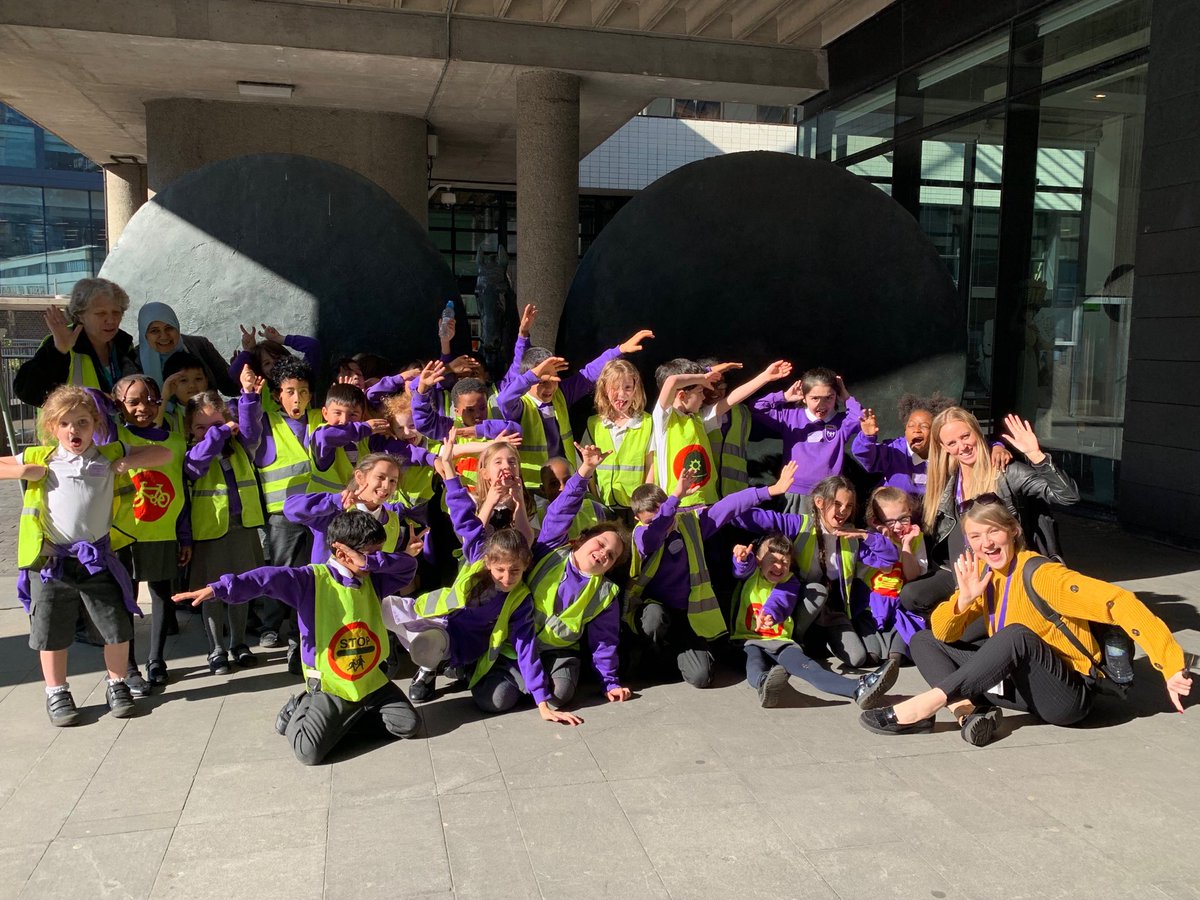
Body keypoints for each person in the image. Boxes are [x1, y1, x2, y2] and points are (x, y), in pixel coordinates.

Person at [860, 498, 1191, 746]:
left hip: (1066, 697)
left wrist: (1171, 664)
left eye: (994, 531)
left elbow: (1119, 602)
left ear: (1013, 531)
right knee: (924, 639)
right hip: (1019, 686)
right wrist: (964, 599)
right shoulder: (988, 575)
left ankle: (926, 705)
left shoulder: (1043, 575)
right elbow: (945, 634)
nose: (986, 543)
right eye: (976, 536)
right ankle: (966, 712)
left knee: (1015, 635)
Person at [174, 511, 422, 765]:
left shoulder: (373, 577)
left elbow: (407, 567)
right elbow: (266, 578)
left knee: (407, 725)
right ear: (341, 553)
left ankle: (344, 720)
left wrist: (369, 561)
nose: (376, 560)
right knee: (308, 753)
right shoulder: (310, 580)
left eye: (377, 554)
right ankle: (299, 709)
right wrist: (219, 588)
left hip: (369, 680)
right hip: (332, 685)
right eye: (371, 553)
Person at [1, 385, 172, 725]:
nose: (73, 430)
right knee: (50, 631)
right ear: (52, 427)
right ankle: (57, 692)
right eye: (64, 423)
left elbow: (163, 454)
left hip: (98, 559)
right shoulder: (41, 457)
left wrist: (128, 462)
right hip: (52, 562)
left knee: (116, 626)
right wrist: (21, 471)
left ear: (95, 424)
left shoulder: (109, 454)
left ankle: (117, 683)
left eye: (82, 422)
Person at [481, 443, 634, 711]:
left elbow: (604, 641)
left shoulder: (605, 594)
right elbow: (561, 510)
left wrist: (610, 683)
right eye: (600, 544)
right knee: (495, 701)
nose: (603, 553)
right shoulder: (550, 549)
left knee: (559, 695)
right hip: (518, 645)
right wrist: (585, 470)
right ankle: (520, 679)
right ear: (581, 539)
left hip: (558, 653)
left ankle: (538, 684)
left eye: (611, 556)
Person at [626, 462, 797, 688]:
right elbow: (657, 530)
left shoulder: (689, 524)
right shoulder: (643, 535)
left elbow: (728, 506)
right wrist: (675, 497)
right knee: (654, 619)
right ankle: (644, 655)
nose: (664, 523)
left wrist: (771, 490)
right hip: (653, 610)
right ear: (638, 520)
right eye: (651, 520)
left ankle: (664, 659)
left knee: (701, 677)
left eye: (665, 514)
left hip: (686, 616)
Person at [899, 408, 1080, 618]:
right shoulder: (947, 479)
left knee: (967, 626)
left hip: (1000, 570)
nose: (962, 447)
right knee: (911, 596)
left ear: (977, 432)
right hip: (962, 571)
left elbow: (1068, 497)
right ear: (944, 447)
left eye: (965, 436)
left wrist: (1036, 456)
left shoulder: (1006, 472)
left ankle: (989, 622)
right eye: (952, 443)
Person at [730, 533, 898, 708]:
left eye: (785, 562)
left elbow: (781, 600)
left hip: (781, 642)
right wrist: (742, 559)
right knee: (754, 663)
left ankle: (858, 688)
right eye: (772, 560)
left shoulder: (790, 581)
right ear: (759, 560)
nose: (779, 566)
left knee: (809, 667)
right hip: (748, 641)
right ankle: (764, 683)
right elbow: (742, 569)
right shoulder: (752, 574)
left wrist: (770, 613)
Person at [496, 308, 652, 490]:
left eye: (554, 379)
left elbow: (588, 374)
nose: (550, 387)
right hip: (534, 490)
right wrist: (532, 374)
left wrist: (620, 350)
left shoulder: (561, 395)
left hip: (566, 485)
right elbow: (503, 400)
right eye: (542, 381)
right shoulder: (520, 405)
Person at [732, 475, 873, 668]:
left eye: (849, 506)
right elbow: (754, 518)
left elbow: (888, 557)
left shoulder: (852, 535)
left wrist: (867, 536)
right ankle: (795, 641)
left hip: (831, 611)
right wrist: (719, 510)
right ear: (819, 502)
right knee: (817, 590)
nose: (843, 511)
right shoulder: (800, 524)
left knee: (858, 658)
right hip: (798, 602)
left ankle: (820, 640)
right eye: (837, 504)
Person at [106, 374, 189, 692]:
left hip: (162, 532)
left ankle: (156, 660)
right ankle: (128, 666)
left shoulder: (177, 442)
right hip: (123, 534)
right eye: (133, 401)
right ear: (118, 405)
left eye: (150, 400)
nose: (143, 407)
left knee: (161, 595)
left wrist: (184, 535)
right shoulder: (114, 439)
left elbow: (182, 492)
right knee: (123, 598)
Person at [184, 388, 266, 674]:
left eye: (217, 424)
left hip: (242, 528)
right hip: (210, 533)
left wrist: (248, 396)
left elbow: (252, 429)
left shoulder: (242, 447)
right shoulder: (193, 453)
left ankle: (239, 643)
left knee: (240, 589)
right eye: (201, 427)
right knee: (211, 594)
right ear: (189, 429)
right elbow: (198, 462)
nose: (209, 432)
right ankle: (216, 648)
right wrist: (219, 432)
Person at [652, 358, 791, 508]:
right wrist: (704, 376)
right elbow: (671, 381)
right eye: (700, 391)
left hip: (707, 503)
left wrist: (765, 377)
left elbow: (731, 399)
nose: (704, 396)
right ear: (681, 396)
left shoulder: (699, 419)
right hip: (678, 506)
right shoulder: (664, 420)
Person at [253, 356, 323, 651]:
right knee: (282, 569)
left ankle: (299, 628)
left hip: (319, 512)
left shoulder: (320, 418)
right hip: (283, 514)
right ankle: (270, 625)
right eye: (290, 391)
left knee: (310, 570)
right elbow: (247, 427)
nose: (298, 398)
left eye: (304, 391)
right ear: (276, 396)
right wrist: (248, 396)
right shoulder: (267, 423)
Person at [751, 367, 862, 515]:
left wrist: (846, 397)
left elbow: (861, 418)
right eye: (815, 398)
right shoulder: (790, 417)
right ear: (804, 397)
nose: (822, 404)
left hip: (828, 493)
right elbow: (756, 407)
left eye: (829, 397)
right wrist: (784, 397)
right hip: (795, 491)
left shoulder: (841, 422)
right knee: (797, 529)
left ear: (836, 396)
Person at [14, 278, 138, 406]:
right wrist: (59, 351)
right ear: (79, 315)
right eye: (101, 313)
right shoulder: (60, 342)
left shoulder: (124, 344)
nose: (111, 320)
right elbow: (28, 393)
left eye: (116, 312)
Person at [856, 486, 927, 662]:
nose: (898, 526)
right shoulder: (870, 538)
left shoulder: (915, 537)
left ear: (910, 511)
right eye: (890, 521)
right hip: (871, 604)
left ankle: (895, 655)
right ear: (876, 521)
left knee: (899, 649)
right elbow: (886, 567)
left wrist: (906, 546)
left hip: (899, 603)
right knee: (872, 653)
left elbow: (912, 576)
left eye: (903, 518)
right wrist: (886, 541)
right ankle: (876, 651)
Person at [584, 358, 653, 514]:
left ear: (636, 389)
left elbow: (651, 466)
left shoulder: (647, 422)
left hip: (637, 507)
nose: (621, 394)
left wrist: (645, 503)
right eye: (614, 388)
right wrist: (595, 498)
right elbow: (588, 468)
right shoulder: (594, 424)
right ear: (604, 389)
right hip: (605, 506)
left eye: (628, 387)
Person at [134, 300, 238, 395]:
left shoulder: (199, 345)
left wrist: (239, 367)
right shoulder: (134, 360)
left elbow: (231, 388)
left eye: (169, 328)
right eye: (154, 331)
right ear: (144, 334)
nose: (164, 336)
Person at [697, 357, 754, 497]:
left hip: (736, 493)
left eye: (720, 384)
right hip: (704, 493)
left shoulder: (742, 412)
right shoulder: (691, 414)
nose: (714, 390)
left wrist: (782, 396)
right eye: (709, 384)